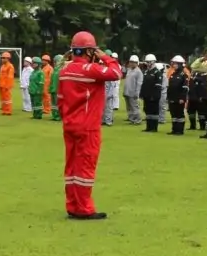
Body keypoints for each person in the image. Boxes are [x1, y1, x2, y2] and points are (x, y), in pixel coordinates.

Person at [56, 31, 122, 220]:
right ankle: (84, 208)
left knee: (71, 167)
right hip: (88, 127)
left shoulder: (64, 71)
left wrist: (67, 118)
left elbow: (60, 100)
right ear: (89, 51)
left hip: (69, 125)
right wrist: (105, 57)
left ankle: (72, 205)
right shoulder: (90, 70)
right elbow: (116, 73)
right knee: (85, 167)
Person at [166, 56, 190, 134]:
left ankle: (180, 130)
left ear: (180, 64)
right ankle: (174, 129)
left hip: (179, 98)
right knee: (173, 114)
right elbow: (170, 87)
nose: (174, 65)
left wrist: (182, 98)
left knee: (179, 114)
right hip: (172, 97)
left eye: (175, 64)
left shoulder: (184, 75)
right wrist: (168, 97)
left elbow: (185, 88)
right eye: (173, 63)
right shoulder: (173, 74)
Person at [141, 54, 163, 132]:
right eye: (147, 62)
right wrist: (142, 94)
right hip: (147, 95)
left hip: (153, 96)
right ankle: (148, 127)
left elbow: (158, 86)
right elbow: (144, 84)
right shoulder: (146, 72)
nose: (147, 63)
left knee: (154, 112)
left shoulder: (157, 72)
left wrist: (155, 96)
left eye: (149, 62)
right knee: (147, 111)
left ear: (153, 62)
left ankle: (154, 127)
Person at [123, 55, 144, 125]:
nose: (131, 63)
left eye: (133, 62)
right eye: (131, 62)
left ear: (137, 63)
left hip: (133, 92)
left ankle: (137, 120)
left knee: (134, 107)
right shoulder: (129, 70)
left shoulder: (138, 72)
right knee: (129, 107)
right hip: (127, 92)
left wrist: (137, 93)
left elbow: (139, 84)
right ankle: (132, 119)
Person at [50, 55, 64, 121]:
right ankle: (54, 115)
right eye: (54, 61)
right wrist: (50, 88)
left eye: (56, 61)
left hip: (58, 90)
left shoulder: (62, 70)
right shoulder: (54, 70)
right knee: (54, 104)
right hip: (53, 89)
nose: (54, 63)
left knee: (58, 104)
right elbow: (52, 80)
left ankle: (58, 116)